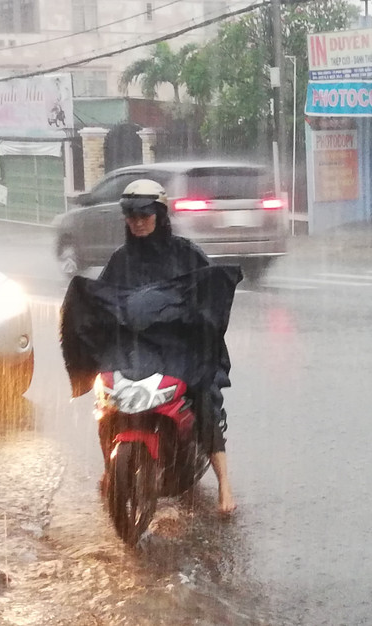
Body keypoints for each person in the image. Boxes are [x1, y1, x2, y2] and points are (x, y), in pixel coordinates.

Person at [99, 179, 237, 514]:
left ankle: (225, 488)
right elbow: (103, 299)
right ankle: (109, 470)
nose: (138, 220)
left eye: (145, 213)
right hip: (137, 351)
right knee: (106, 403)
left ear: (160, 214)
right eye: (131, 214)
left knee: (204, 399)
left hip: (182, 351)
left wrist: (197, 319)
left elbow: (212, 289)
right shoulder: (120, 260)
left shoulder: (185, 254)